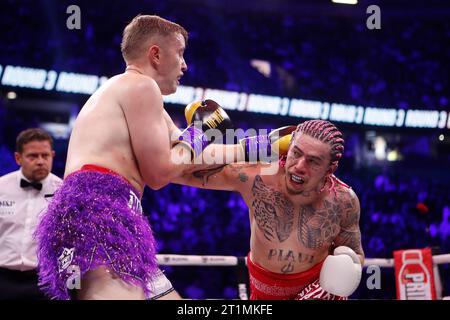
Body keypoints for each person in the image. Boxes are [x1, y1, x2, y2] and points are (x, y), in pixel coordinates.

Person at [35, 15, 233, 300]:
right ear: (155, 54)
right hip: (100, 215)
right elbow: (160, 172)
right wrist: (201, 134)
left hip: (106, 214)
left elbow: (184, 158)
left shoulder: (129, 92)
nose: (185, 65)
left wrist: (263, 146)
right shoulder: (142, 87)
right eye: (179, 54)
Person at [174, 120, 365, 300]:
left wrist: (341, 277)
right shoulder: (256, 175)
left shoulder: (343, 200)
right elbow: (178, 170)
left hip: (316, 290)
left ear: (330, 168)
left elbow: (355, 254)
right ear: (287, 148)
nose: (299, 166)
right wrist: (197, 130)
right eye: (296, 153)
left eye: (313, 161)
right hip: (262, 293)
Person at [0, 128, 62, 299]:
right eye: (33, 156)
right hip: (3, 278)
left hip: (45, 281)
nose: (40, 161)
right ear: (18, 158)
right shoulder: (1, 187)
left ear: (52, 156)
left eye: (45, 155)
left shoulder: (64, 192)